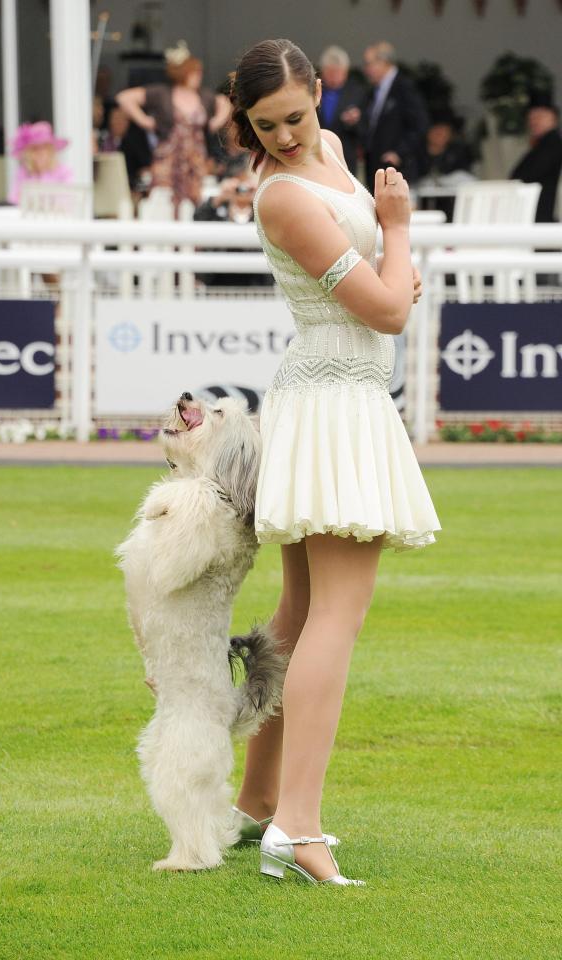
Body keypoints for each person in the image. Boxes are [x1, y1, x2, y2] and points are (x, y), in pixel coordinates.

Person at [229, 38, 440, 886]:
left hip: (339, 397)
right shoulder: (281, 197)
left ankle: (253, 802)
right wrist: (398, 231)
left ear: (319, 94)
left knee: (298, 615)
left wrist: (395, 264)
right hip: (332, 401)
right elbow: (388, 312)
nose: (282, 136)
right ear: (244, 122)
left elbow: (387, 296)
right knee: (333, 620)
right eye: (264, 124)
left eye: (295, 116)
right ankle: (297, 827)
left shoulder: (334, 154)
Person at [116, 40, 231, 212]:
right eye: (195, 72)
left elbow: (224, 102)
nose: (198, 76)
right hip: (168, 156)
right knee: (164, 199)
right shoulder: (162, 94)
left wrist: (214, 123)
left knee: (194, 199)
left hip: (195, 157)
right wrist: (145, 121)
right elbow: (125, 98)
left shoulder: (203, 96)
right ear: (184, 72)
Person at [362, 41, 429, 185]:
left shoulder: (404, 87)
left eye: (369, 64)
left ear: (384, 62)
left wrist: (399, 153)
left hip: (398, 171)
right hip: (377, 169)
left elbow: (420, 124)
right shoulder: (374, 91)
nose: (366, 69)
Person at [193, 172, 274, 287]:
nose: (242, 191)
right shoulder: (219, 212)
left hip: (255, 281)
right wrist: (220, 197)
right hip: (220, 279)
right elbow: (198, 219)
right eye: (237, 188)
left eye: (247, 188)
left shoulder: (260, 212)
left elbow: (276, 221)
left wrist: (261, 196)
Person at [510, 94, 562, 223]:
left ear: (553, 118)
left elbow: (526, 176)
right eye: (531, 117)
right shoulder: (541, 146)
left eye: (539, 116)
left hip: (542, 217)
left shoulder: (553, 145)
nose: (534, 121)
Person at [316, 46, 367, 174]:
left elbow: (367, 129)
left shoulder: (357, 92)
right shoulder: (313, 91)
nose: (334, 77)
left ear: (346, 72)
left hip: (345, 158)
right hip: (317, 155)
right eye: (330, 72)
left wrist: (354, 122)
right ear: (322, 72)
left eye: (338, 72)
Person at [8, 121, 73, 205]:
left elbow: (66, 201)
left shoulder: (64, 172)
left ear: (51, 150)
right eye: (35, 149)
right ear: (29, 153)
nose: (40, 152)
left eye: (44, 148)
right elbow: (13, 199)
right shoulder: (23, 172)